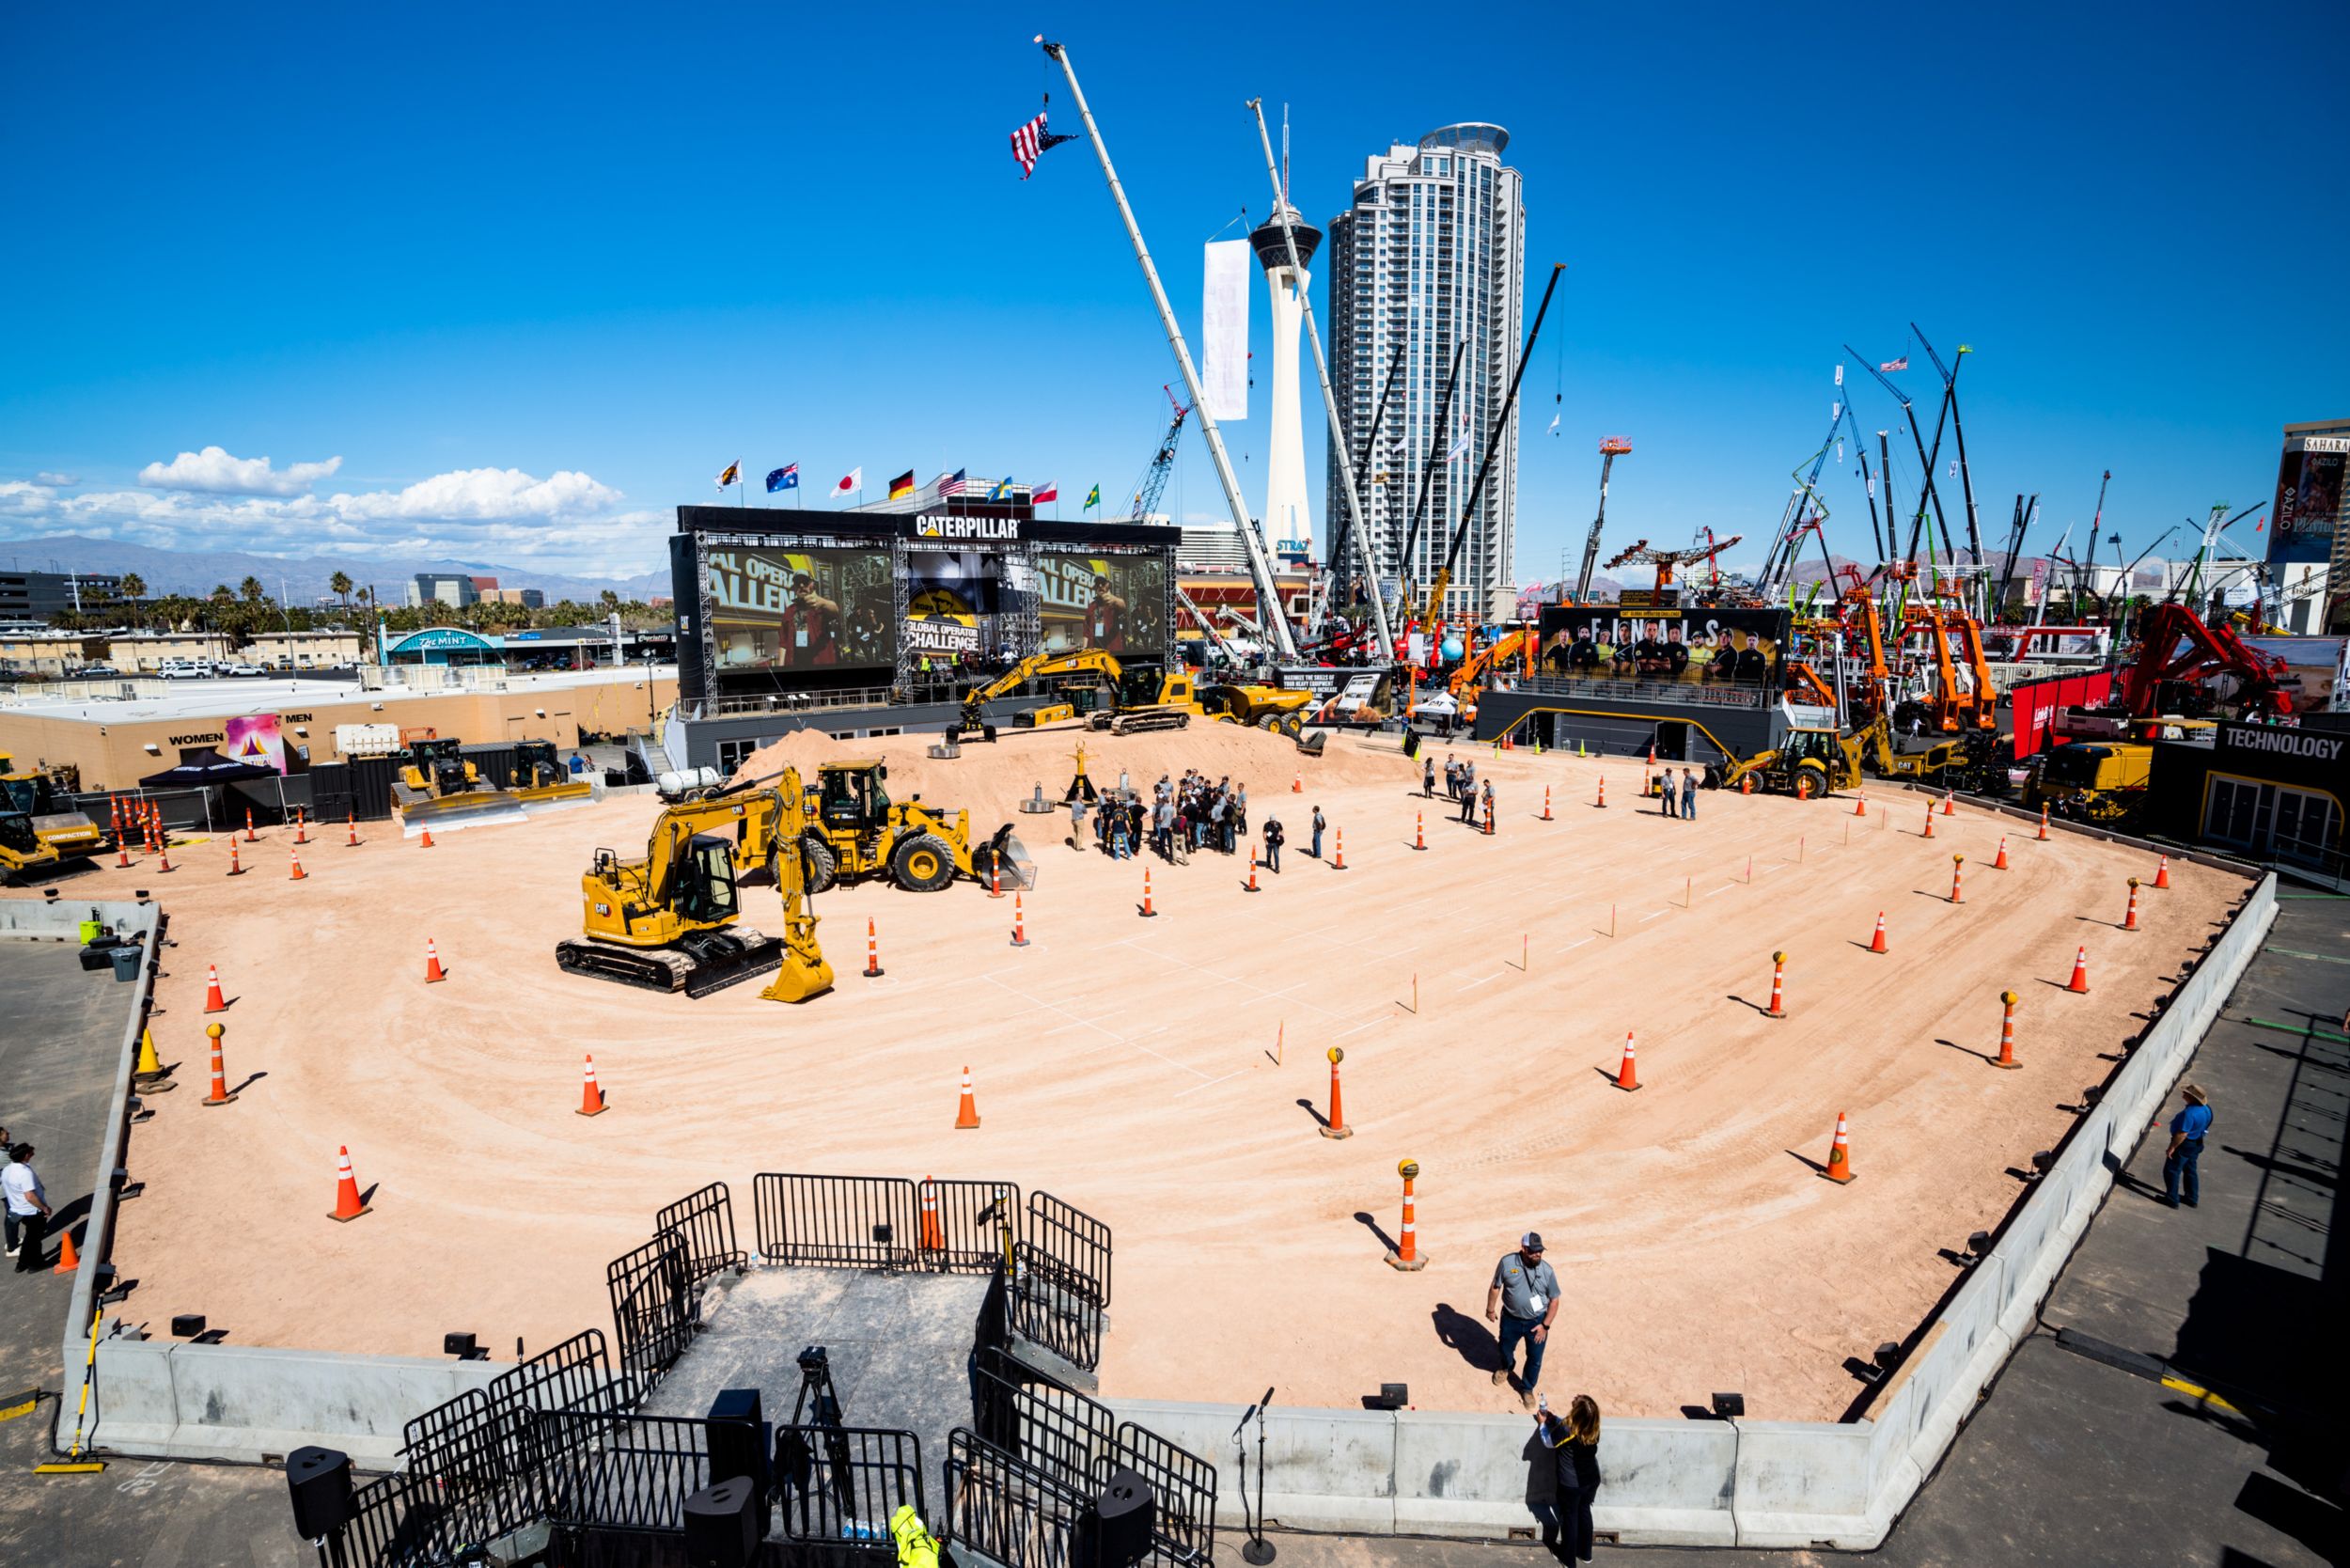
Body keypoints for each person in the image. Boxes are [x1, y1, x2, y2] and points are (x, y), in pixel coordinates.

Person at [1486, 1231, 1560, 1409]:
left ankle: (1527, 1389)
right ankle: (1507, 1367)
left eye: (1540, 1251)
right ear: (1524, 1248)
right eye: (1534, 1251)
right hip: (1510, 1319)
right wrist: (1490, 1309)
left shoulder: (1547, 1271)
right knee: (1504, 1348)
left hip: (1537, 1322)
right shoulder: (1507, 1263)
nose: (1538, 1254)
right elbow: (1496, 1286)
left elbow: (1555, 1300)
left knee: (1535, 1358)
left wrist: (1545, 1326)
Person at [1537, 1394, 1602, 1562]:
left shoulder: (1568, 1428)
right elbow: (1573, 1429)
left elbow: (1548, 1441)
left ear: (1577, 1414)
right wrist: (1556, 1419)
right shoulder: (1594, 1427)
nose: (1575, 1397)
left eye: (1576, 1402)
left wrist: (1542, 1423)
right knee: (1585, 1511)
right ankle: (1585, 1554)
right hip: (1591, 1479)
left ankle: (1568, 1559)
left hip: (1571, 1484)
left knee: (1569, 1518)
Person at [2161, 1083, 2213, 1208]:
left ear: (2191, 1098)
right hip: (2196, 1144)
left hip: (2184, 1145)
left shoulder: (2189, 1113)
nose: (2183, 1095)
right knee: (2190, 1170)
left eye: (2186, 1094)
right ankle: (2192, 1197)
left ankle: (2172, 1199)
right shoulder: (2207, 1109)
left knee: (2172, 1170)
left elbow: (2182, 1133)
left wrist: (2172, 1147)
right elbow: (2208, 1123)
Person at [6, 1145, 50, 1273]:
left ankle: (22, 1263)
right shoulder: (24, 1173)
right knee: (35, 1239)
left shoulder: (8, 1170)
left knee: (30, 1237)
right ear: (25, 1156)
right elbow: (30, 1196)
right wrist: (44, 1208)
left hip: (17, 1209)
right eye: (31, 1153)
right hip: (32, 1211)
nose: (33, 1155)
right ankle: (35, 1264)